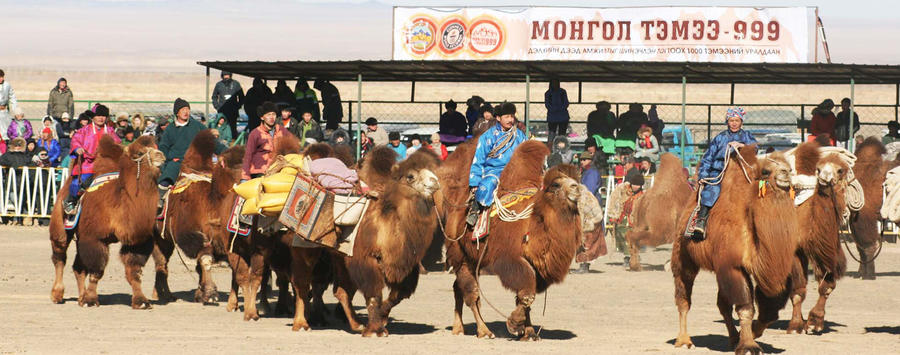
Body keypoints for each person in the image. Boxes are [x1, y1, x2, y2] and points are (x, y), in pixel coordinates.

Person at [692, 107, 757, 239]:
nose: (734, 123)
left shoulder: (746, 136)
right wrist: (703, 176)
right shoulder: (720, 138)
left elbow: (755, 147)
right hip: (719, 172)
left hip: (740, 172)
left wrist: (741, 145)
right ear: (727, 121)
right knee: (712, 190)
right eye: (731, 120)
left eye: (737, 120)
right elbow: (708, 157)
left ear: (741, 122)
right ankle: (702, 220)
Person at [157, 98, 225, 209]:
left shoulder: (197, 126)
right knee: (168, 175)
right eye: (183, 109)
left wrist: (225, 152)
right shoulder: (170, 129)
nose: (186, 112)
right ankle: (160, 199)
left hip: (196, 162)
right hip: (177, 161)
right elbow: (163, 147)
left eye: (187, 109)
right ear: (177, 112)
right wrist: (169, 159)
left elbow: (211, 141)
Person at [467, 102, 527, 225]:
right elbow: (479, 159)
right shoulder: (487, 136)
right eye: (507, 117)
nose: (510, 120)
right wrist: (474, 182)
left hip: (516, 171)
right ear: (498, 118)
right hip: (494, 171)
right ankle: (475, 209)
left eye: (512, 116)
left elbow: (527, 155)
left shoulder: (520, 136)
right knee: (486, 186)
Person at [64, 104, 120, 214]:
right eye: (98, 115)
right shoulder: (84, 130)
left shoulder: (110, 131)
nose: (101, 118)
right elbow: (76, 141)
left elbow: (117, 143)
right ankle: (70, 201)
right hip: (88, 165)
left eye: (103, 116)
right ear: (93, 117)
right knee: (79, 182)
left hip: (106, 166)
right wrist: (78, 148)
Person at [242, 101, 288, 180]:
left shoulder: (282, 130)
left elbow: (293, 144)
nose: (271, 117)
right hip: (260, 171)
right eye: (268, 115)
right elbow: (248, 155)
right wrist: (244, 176)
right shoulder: (255, 134)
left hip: (279, 169)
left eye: (273, 114)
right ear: (262, 117)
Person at [609, 168, 644, 262]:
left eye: (638, 185)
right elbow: (614, 200)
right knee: (622, 237)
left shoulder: (643, 197)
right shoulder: (622, 191)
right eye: (634, 184)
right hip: (622, 218)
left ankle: (630, 257)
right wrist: (613, 215)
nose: (636, 186)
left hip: (634, 221)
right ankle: (628, 256)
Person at [211, 71, 244, 137]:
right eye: (224, 75)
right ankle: (221, 143)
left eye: (227, 75)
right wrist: (217, 107)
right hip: (222, 111)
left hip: (233, 111)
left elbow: (242, 97)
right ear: (222, 76)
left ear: (230, 75)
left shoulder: (236, 84)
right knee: (221, 127)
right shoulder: (219, 85)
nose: (226, 77)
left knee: (232, 128)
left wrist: (238, 106)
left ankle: (233, 142)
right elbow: (214, 97)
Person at [544, 79, 570, 144]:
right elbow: (547, 105)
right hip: (553, 117)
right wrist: (555, 109)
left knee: (562, 134)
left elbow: (566, 103)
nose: (555, 85)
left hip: (562, 117)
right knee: (551, 133)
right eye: (553, 83)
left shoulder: (562, 92)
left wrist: (559, 109)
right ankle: (550, 148)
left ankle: (561, 147)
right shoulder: (548, 93)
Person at [0, 69, 18, 140]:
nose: (2, 79)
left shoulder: (7, 85)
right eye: (0, 77)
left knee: (6, 130)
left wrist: (15, 110)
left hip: (4, 112)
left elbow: (13, 97)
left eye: (2, 77)